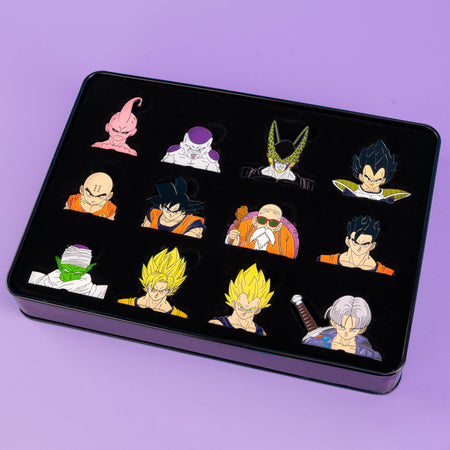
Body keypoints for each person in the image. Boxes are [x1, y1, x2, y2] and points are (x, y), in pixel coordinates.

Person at [303, 295, 381, 360]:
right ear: (333, 323)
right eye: (342, 326)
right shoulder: (315, 342)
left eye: (353, 329)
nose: (346, 332)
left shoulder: (369, 354)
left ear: (362, 329)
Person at [241, 120, 314, 190]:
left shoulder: (305, 184)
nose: (280, 166)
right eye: (277, 161)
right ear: (271, 159)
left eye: (285, 163)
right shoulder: (248, 173)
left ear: (291, 163)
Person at [117, 248, 188, 318]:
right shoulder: (123, 303)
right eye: (153, 289)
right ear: (146, 286)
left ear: (170, 291)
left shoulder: (180, 316)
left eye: (162, 291)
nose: (156, 294)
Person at [332, 139, 410, 202]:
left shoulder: (388, 196)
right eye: (368, 178)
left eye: (377, 180)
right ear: (361, 176)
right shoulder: (350, 190)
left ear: (383, 180)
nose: (372, 183)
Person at [317, 215, 394, 276]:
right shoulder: (324, 260)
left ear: (372, 246)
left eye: (365, 244)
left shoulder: (386, 272)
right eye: (355, 242)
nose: (359, 247)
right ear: (347, 241)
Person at [209, 264, 273, 335]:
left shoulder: (261, 333)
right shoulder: (216, 323)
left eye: (250, 310)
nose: (244, 312)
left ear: (258, 310)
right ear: (234, 304)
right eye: (241, 307)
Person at [28, 244, 107, 299]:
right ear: (59, 264)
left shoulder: (98, 292)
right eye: (66, 270)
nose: (70, 275)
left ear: (87, 270)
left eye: (76, 272)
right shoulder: (36, 279)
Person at [225, 203, 298, 259]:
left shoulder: (284, 241)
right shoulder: (244, 230)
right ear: (255, 221)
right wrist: (231, 238)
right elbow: (231, 251)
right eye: (262, 220)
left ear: (278, 227)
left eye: (273, 223)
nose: (266, 226)